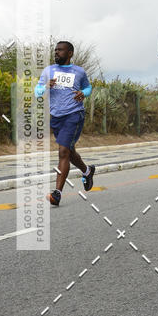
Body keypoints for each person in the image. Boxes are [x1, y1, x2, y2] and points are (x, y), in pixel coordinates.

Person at [35, 41, 95, 206]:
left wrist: (83, 93)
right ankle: (87, 171)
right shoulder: (49, 70)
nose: (56, 53)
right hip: (56, 117)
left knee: (63, 152)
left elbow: (88, 88)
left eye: (60, 50)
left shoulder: (79, 72)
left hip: (74, 115)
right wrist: (45, 86)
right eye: (55, 50)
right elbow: (37, 92)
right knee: (69, 152)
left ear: (70, 53)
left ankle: (57, 193)